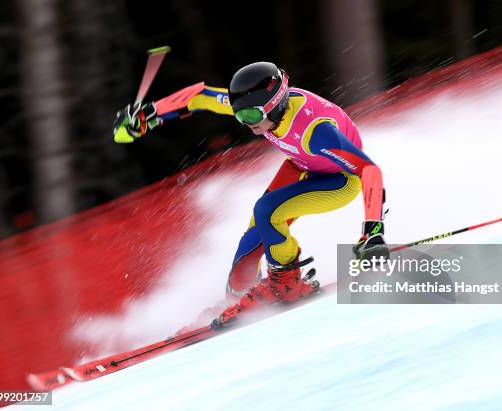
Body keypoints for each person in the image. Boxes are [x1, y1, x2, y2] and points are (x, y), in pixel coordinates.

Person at [113, 62, 388, 327]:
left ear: (276, 104)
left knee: (268, 210)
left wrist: (373, 231)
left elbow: (368, 169)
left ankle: (287, 285)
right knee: (253, 239)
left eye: (252, 116)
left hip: (339, 179)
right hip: (302, 164)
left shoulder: (316, 131)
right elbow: (200, 97)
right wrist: (150, 115)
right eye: (241, 116)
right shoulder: (260, 107)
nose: (247, 123)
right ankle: (237, 297)